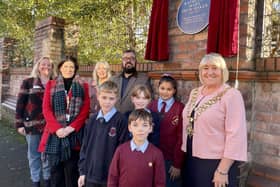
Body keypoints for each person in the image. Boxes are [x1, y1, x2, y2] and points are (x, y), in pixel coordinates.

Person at [181, 53, 247, 187]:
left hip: (216, 163)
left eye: (215, 68)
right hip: (191, 158)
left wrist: (222, 170)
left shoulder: (232, 95)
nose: (209, 72)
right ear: (200, 71)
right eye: (205, 68)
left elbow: (236, 136)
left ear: (222, 71)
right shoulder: (195, 92)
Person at [38, 56, 90, 187]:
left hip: (74, 136)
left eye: (71, 67)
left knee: (73, 172)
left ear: (75, 69)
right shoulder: (51, 85)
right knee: (56, 173)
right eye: (65, 66)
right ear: (60, 68)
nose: (68, 69)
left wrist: (70, 128)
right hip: (55, 136)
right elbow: (46, 109)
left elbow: (85, 110)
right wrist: (58, 129)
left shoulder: (83, 86)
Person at [78, 81, 129, 187]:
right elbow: (85, 147)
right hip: (90, 175)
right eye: (104, 97)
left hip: (110, 177)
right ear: (98, 96)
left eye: (111, 98)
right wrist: (82, 172)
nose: (107, 102)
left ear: (116, 99)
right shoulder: (92, 119)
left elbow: (123, 152)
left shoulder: (121, 120)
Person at [15, 56, 55, 187]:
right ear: (38, 66)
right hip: (31, 125)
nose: (46, 67)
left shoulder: (55, 83)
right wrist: (19, 124)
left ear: (52, 68)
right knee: (34, 154)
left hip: (50, 126)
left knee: (47, 153)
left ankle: (47, 178)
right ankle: (35, 180)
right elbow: (20, 104)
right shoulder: (28, 82)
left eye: (49, 65)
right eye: (43, 64)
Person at [108, 109, 166, 187]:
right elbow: (113, 178)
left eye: (144, 125)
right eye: (135, 125)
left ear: (150, 128)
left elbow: (160, 183)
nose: (140, 129)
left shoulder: (157, 154)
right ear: (129, 128)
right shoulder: (120, 150)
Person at [148, 75, 185, 187]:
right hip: (152, 157)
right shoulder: (151, 106)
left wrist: (177, 164)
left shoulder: (180, 108)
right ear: (158, 88)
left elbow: (181, 137)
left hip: (170, 159)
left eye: (169, 89)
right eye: (162, 88)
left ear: (174, 90)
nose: (165, 92)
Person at [110, 49, 152, 114]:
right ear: (122, 61)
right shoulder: (113, 79)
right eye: (125, 58)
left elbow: (149, 102)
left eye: (132, 58)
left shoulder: (144, 80)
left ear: (136, 61)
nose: (128, 60)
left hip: (133, 120)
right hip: (115, 120)